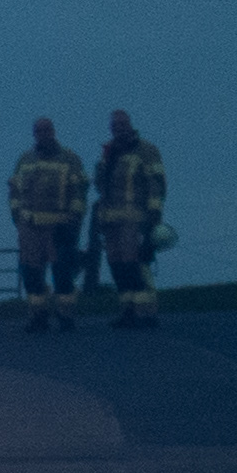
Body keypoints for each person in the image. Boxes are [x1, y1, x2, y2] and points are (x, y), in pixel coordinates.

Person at [10, 117, 91, 331]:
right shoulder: (25, 160)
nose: (43, 134)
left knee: (63, 273)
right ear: (34, 134)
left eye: (46, 130)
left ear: (53, 131)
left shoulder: (70, 159)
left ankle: (66, 315)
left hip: (60, 226)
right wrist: (17, 216)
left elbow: (79, 191)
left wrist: (74, 220)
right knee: (31, 274)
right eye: (39, 131)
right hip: (30, 227)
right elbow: (14, 190)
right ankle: (38, 316)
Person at [94, 108, 168, 329]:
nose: (119, 129)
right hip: (111, 221)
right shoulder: (108, 152)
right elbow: (101, 185)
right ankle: (128, 311)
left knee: (135, 263)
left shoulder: (146, 150)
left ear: (130, 125)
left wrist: (153, 217)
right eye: (115, 126)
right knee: (118, 266)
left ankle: (147, 312)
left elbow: (156, 185)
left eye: (122, 125)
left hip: (135, 219)